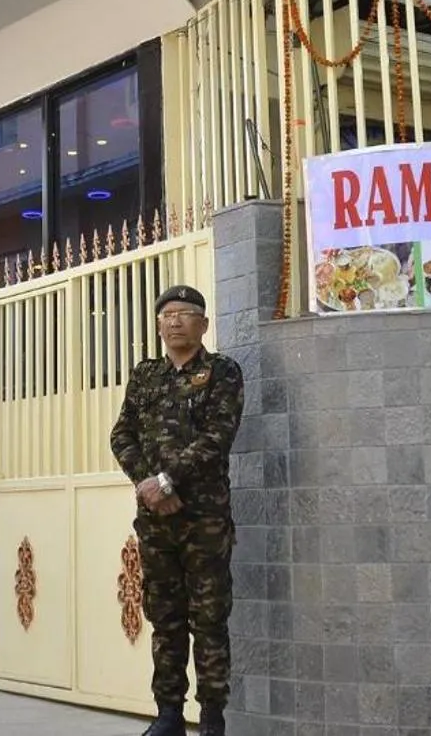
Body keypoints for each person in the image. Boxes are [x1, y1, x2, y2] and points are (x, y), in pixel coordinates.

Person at [110, 284, 245, 736]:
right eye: (166, 314)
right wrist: (147, 484)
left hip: (204, 519)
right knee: (164, 618)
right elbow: (121, 435)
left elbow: (216, 437)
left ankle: (211, 719)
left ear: (203, 325)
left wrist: (167, 480)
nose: (173, 321)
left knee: (208, 620)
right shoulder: (146, 375)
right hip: (155, 522)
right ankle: (168, 714)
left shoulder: (222, 373)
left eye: (185, 313)